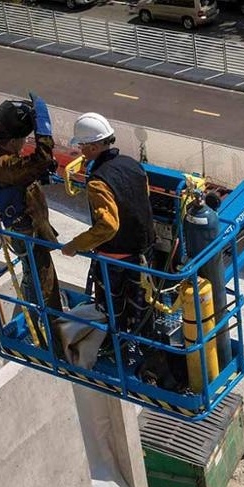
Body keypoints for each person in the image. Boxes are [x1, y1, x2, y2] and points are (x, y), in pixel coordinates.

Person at [61, 112, 156, 347]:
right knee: (144, 303)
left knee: (113, 307)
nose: (81, 150)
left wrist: (76, 245)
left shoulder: (97, 181)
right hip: (145, 250)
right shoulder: (133, 165)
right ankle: (144, 343)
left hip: (117, 259)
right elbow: (142, 199)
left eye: (83, 145)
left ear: (93, 147)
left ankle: (116, 345)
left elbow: (108, 226)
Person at [0, 95, 62, 340]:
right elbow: (40, 158)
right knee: (43, 282)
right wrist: (43, 127)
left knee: (36, 276)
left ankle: (45, 322)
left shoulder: (4, 159)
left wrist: (40, 176)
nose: (25, 143)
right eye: (24, 139)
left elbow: (26, 176)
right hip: (27, 234)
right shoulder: (3, 164)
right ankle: (49, 332)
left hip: (31, 228)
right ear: (13, 140)